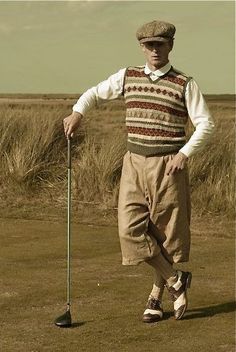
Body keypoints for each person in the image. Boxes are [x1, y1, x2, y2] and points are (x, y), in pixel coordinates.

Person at [63, 20, 215, 323]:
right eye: (149, 45)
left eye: (160, 44)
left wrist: (184, 154)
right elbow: (94, 93)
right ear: (142, 48)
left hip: (168, 166)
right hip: (134, 162)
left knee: (166, 236)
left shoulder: (185, 83)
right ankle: (175, 280)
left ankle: (155, 299)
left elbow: (206, 124)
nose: (155, 50)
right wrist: (77, 112)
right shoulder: (127, 76)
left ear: (170, 46)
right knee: (129, 230)